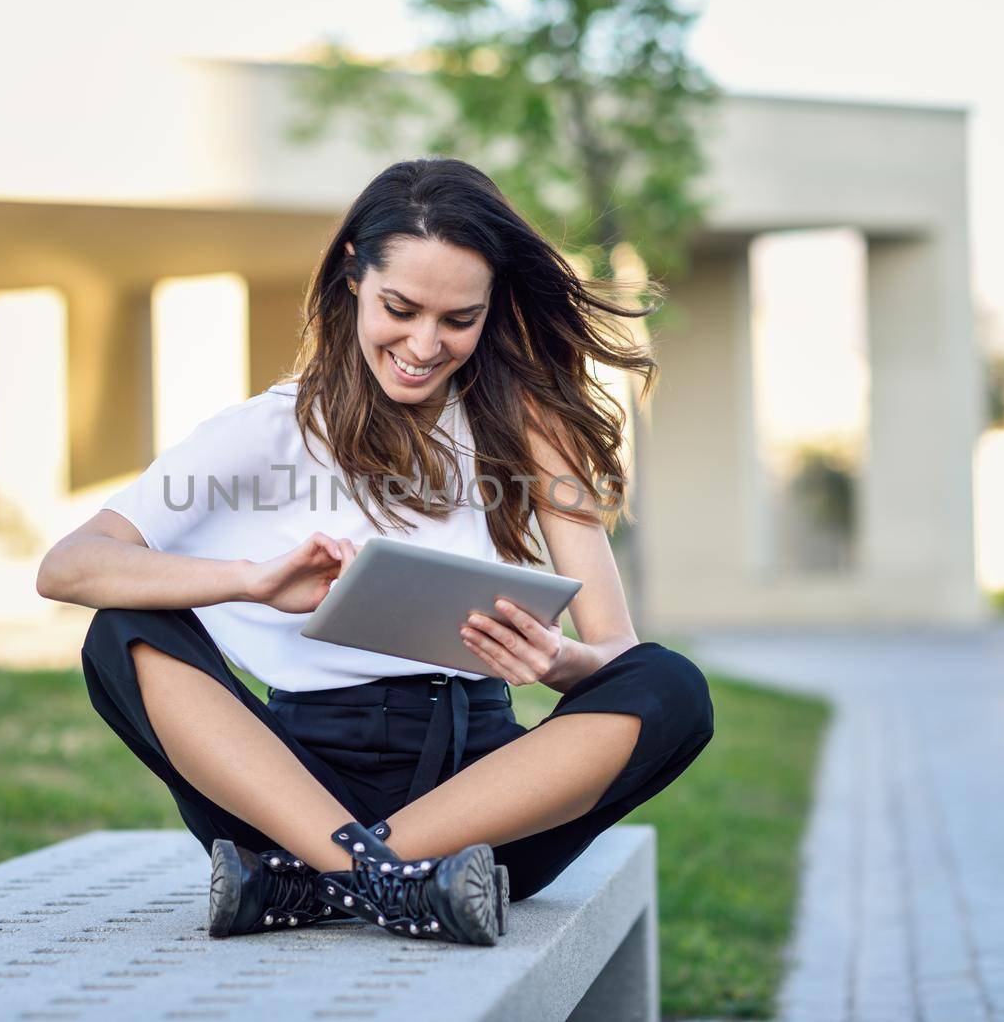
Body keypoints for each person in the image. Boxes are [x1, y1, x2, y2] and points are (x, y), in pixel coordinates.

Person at [36, 157, 715, 948]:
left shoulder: (534, 430)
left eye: (458, 319)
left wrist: (554, 660)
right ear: (354, 274)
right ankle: (379, 877)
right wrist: (251, 582)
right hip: (296, 789)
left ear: (490, 309)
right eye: (401, 308)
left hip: (482, 800)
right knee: (120, 632)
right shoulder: (268, 429)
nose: (425, 345)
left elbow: (615, 653)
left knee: (672, 686)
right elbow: (70, 566)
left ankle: (316, 882)